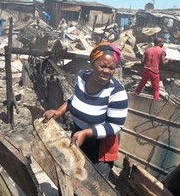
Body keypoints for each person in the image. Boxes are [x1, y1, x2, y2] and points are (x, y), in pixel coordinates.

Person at [43, 42, 128, 179]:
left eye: (112, 68)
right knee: (74, 175)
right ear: (92, 62)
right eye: (103, 66)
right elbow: (75, 99)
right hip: (78, 135)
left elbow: (115, 126)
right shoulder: (82, 77)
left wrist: (86, 133)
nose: (107, 71)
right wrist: (59, 111)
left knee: (94, 183)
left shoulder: (117, 92)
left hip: (100, 146)